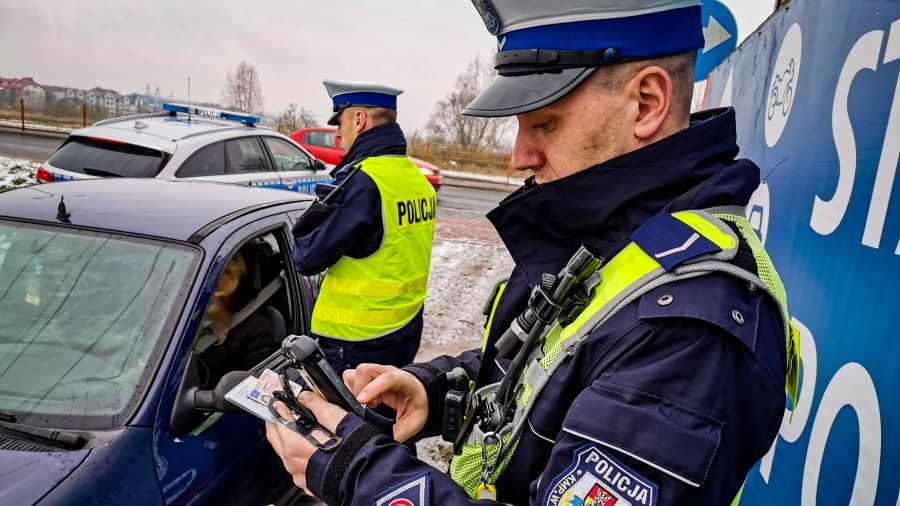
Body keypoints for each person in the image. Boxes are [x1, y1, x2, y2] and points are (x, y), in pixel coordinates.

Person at [266, 1, 800, 504]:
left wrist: (358, 472)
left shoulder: (691, 332)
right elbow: (544, 369)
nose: (521, 155)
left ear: (647, 103)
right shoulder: (621, 235)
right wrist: (436, 392)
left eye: (545, 122)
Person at [291, 80, 437, 375]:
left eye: (340, 121)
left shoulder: (363, 182)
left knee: (348, 421)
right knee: (386, 415)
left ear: (358, 120)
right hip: (403, 330)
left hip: (355, 342)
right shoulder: (414, 178)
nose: (337, 132)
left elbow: (306, 259)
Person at [196, 251, 277, 388]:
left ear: (240, 280)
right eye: (213, 271)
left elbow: (252, 386)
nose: (217, 278)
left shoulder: (257, 327)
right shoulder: (190, 311)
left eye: (226, 272)